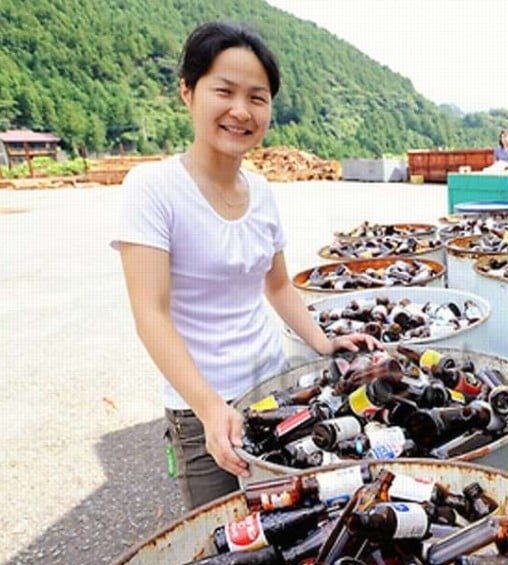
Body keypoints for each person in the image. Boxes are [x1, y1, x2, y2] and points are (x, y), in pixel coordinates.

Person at [113, 21, 382, 509]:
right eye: (225, 91)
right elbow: (150, 313)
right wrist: (210, 407)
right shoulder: (152, 188)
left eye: (257, 97)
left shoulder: (260, 192)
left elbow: (277, 286)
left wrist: (323, 342)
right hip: (202, 409)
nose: (241, 111)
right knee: (228, 538)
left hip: (274, 390)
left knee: (290, 518)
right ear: (188, 92)